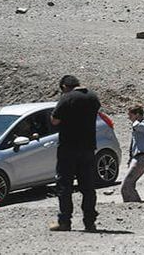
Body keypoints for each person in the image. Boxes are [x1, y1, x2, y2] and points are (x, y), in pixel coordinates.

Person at [49, 75, 101, 232]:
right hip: (88, 147)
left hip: (68, 148)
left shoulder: (67, 98)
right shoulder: (93, 97)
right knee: (88, 186)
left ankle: (65, 221)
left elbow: (54, 120)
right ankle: (89, 222)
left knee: (65, 186)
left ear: (65, 86)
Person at [121, 105, 144, 203]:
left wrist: (136, 120)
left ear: (137, 115)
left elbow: (138, 127)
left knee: (126, 186)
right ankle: (135, 203)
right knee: (129, 185)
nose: (129, 118)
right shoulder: (136, 125)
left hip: (141, 158)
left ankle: (136, 204)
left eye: (131, 115)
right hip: (135, 158)